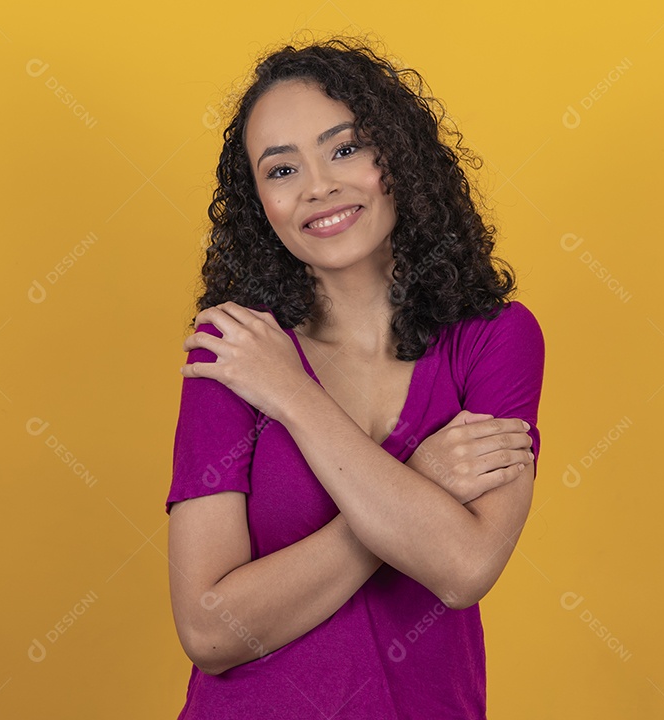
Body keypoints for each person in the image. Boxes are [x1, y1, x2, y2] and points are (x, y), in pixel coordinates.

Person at [165, 36, 545, 719]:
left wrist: (291, 396)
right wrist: (418, 488)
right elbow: (210, 630)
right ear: (258, 203)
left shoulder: (496, 340)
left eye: (344, 148)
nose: (318, 186)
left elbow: (462, 569)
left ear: (397, 156)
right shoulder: (236, 351)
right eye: (281, 171)